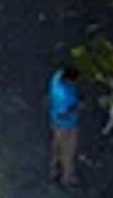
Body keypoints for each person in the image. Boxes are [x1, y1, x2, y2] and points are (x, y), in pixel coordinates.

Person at [47, 62, 83, 190]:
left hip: (54, 121)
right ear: (69, 79)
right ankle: (66, 178)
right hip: (66, 125)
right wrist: (76, 107)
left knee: (56, 146)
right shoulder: (64, 95)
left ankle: (53, 170)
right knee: (68, 151)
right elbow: (63, 114)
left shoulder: (57, 76)